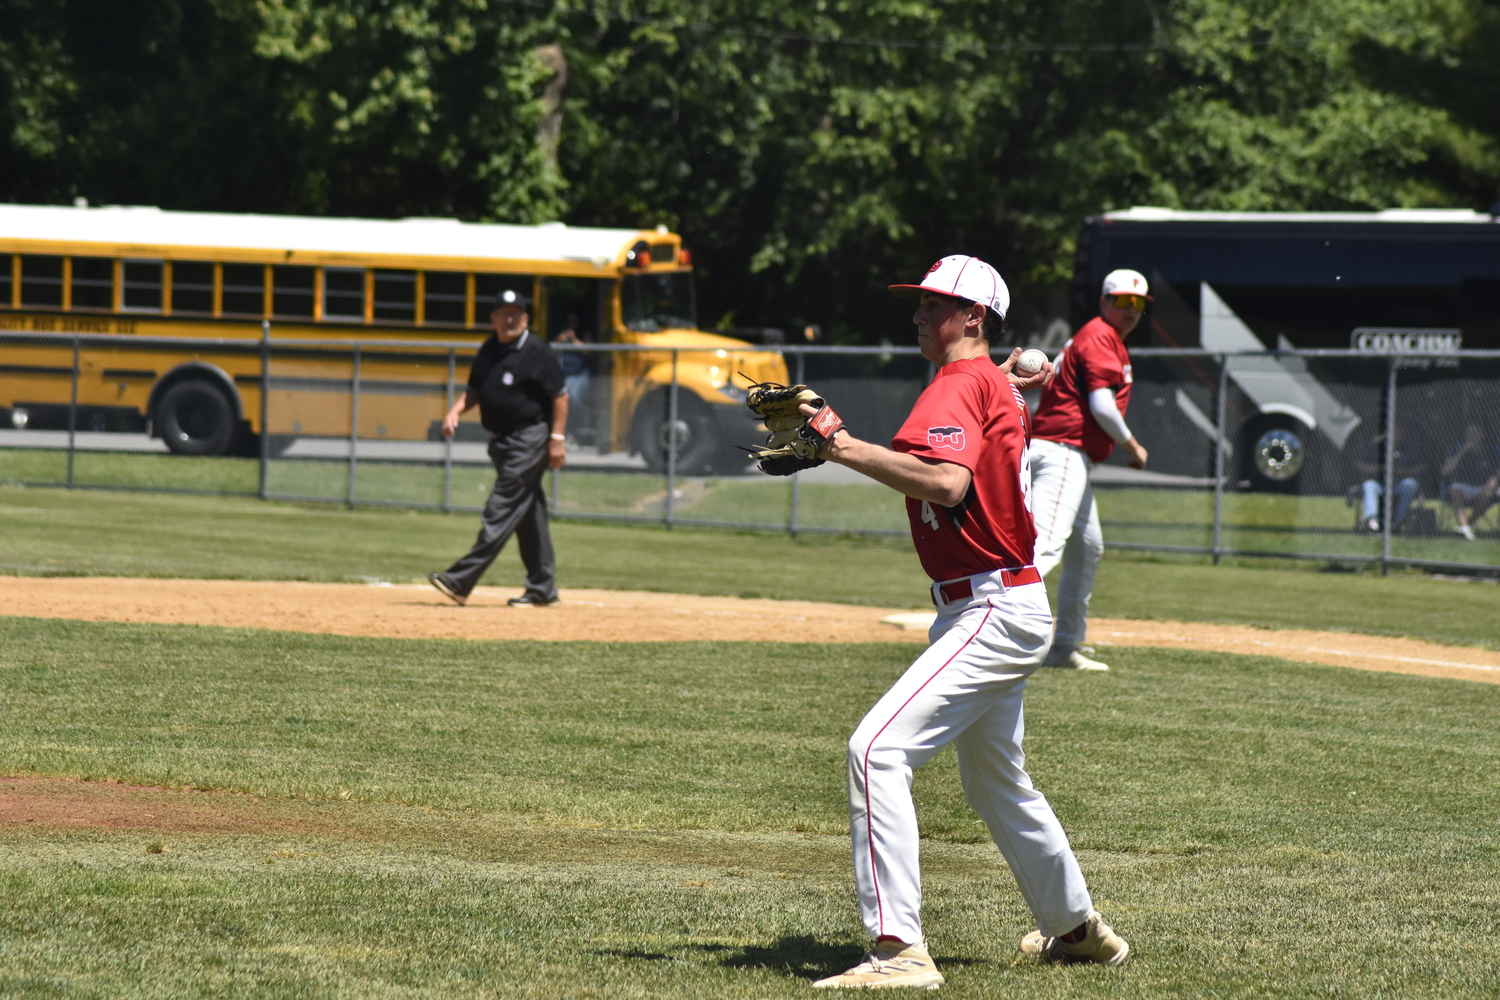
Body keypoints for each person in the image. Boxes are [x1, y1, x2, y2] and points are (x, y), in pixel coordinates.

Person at [805, 255, 1128, 991]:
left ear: (973, 319)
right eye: (918, 305)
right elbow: (993, 413)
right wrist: (1010, 376)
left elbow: (949, 483)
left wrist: (840, 445)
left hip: (988, 604)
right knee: (996, 783)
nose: (917, 316)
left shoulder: (961, 381)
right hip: (994, 603)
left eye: (933, 306)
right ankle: (1076, 928)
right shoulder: (987, 383)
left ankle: (899, 952)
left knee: (874, 751)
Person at [1025, 269, 1151, 672]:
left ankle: (1064, 647)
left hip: (1067, 454)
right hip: (1063, 451)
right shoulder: (1100, 335)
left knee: (1088, 546)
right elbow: (1101, 405)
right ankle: (988, 630)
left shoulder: (1102, 336)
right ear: (1104, 301)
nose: (1130, 309)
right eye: (1122, 300)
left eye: (1139, 303)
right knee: (1043, 549)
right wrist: (1132, 445)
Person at [428, 289, 568, 607]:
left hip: (530, 438)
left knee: (501, 507)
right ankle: (542, 589)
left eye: (515, 313)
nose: (509, 319)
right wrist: (455, 411)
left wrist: (557, 440)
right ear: (492, 318)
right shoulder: (490, 349)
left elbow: (559, 396)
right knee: (527, 514)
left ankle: (460, 580)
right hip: (501, 442)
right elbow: (476, 390)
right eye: (503, 313)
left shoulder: (537, 350)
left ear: (526, 318)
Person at [1355, 424, 1424, 535]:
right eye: (1390, 431)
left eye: (1397, 431)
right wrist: (1382, 469)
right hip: (1379, 483)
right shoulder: (1375, 447)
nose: (1393, 434)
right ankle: (1373, 522)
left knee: (1410, 484)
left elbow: (1420, 469)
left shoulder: (1411, 448)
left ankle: (1399, 522)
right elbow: (1360, 465)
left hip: (1399, 483)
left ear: (1402, 433)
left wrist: (1398, 471)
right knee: (1369, 485)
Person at [1439, 422, 1499, 541]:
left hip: (1483, 488)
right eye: (1469, 434)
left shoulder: (1491, 451)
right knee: (1455, 490)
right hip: (1462, 487)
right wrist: (1462, 451)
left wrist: (1494, 481)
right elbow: (1445, 471)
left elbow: (1497, 472)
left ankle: (1468, 525)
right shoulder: (1456, 449)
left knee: (1490, 491)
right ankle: (1465, 527)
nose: (1472, 436)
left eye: (1475, 434)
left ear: (1482, 435)